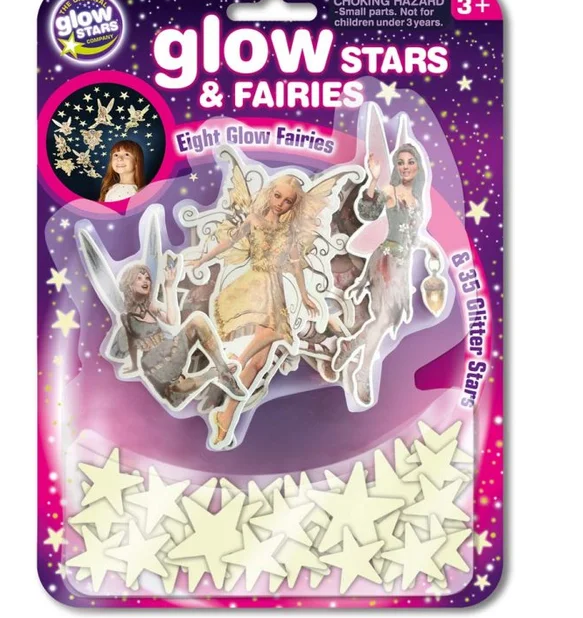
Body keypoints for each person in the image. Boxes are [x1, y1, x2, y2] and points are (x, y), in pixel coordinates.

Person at [186, 174, 331, 448]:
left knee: (259, 364)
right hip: (254, 285)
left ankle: (226, 416)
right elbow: (229, 243)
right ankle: (234, 363)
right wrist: (202, 259)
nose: (281, 204)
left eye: (288, 201)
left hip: (275, 290)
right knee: (272, 333)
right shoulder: (254, 220)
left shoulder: (290, 232)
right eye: (278, 196)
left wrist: (304, 294)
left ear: (293, 206)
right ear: (269, 193)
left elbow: (296, 265)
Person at [332, 147, 441, 406]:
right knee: (383, 320)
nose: (405, 167)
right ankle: (362, 372)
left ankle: (352, 346)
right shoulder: (391, 191)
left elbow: (409, 235)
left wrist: (429, 247)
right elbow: (368, 211)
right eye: (400, 162)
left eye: (410, 162)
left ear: (418, 166)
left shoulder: (417, 197)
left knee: (389, 319)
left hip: (402, 266)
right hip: (386, 263)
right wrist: (373, 179)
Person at [116, 262, 246, 407]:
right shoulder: (126, 318)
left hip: (171, 348)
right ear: (130, 285)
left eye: (147, 277)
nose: (145, 280)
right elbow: (123, 348)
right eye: (139, 278)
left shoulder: (151, 306)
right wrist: (134, 360)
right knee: (174, 393)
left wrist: (169, 287)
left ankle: (224, 373)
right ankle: (211, 375)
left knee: (198, 321)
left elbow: (173, 324)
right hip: (156, 367)